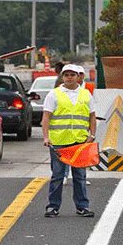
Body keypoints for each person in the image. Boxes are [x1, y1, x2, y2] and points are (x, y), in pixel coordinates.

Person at [42, 64, 96, 218]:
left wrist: (92, 135)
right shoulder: (54, 94)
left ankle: (82, 207)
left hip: (80, 141)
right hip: (59, 142)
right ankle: (53, 207)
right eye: (66, 75)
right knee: (57, 175)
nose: (69, 77)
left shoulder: (86, 94)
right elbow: (46, 117)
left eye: (72, 74)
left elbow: (92, 116)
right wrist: (46, 137)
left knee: (80, 176)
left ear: (78, 76)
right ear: (62, 77)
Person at [63, 65, 93, 186]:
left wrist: (92, 131)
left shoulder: (89, 89)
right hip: (65, 130)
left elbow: (92, 109)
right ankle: (64, 176)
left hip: (81, 130)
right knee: (65, 155)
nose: (79, 77)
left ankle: (82, 178)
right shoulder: (62, 91)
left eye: (80, 74)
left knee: (81, 157)